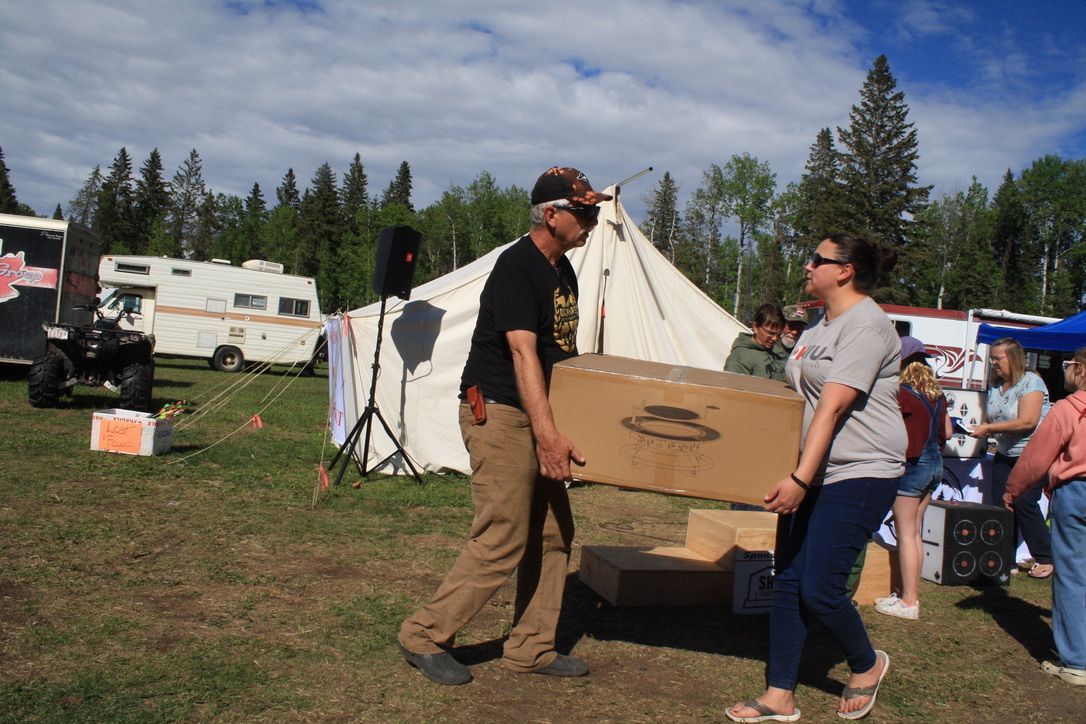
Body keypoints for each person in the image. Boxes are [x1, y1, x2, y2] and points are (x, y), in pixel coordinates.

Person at [397, 167, 611, 685]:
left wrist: (573, 423)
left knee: (556, 532)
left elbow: (560, 353)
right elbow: (522, 353)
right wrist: (547, 435)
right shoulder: (517, 267)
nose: (593, 220)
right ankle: (423, 635)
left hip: (534, 413)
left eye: (595, 211)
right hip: (499, 412)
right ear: (551, 214)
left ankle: (531, 647)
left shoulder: (564, 270)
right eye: (584, 211)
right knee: (505, 534)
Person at [727, 234, 905, 722]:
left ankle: (867, 665)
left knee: (820, 588)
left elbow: (832, 405)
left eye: (817, 260)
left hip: (861, 471)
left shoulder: (867, 326)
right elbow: (795, 396)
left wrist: (800, 480)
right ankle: (779, 695)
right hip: (815, 469)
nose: (807, 266)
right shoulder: (817, 326)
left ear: (844, 271)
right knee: (787, 580)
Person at [1004, 348, 1086, 686]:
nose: (1064, 371)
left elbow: (1036, 457)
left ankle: (1078, 661)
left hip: (1078, 492)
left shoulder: (1069, 408)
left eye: (1067, 366)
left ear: (1080, 369)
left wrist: (1013, 490)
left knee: (1072, 574)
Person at [874, 337, 952, 621]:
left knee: (906, 533)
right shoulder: (937, 395)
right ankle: (910, 593)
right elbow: (950, 433)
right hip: (935, 465)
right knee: (915, 532)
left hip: (912, 464)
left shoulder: (902, 394)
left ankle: (909, 601)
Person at [970, 337, 1054, 578]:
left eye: (998, 357)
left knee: (1024, 501)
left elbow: (1028, 421)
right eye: (992, 357)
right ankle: (1004, 559)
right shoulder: (996, 386)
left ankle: (1046, 556)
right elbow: (994, 418)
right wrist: (981, 426)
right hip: (1005, 453)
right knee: (1001, 507)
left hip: (1032, 454)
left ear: (1013, 357)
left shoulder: (1031, 382)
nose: (993, 362)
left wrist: (990, 429)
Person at [725, 303, 787, 380]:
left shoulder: (779, 352)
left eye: (778, 334)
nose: (775, 338)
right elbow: (735, 388)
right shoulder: (740, 358)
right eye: (771, 333)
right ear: (756, 327)